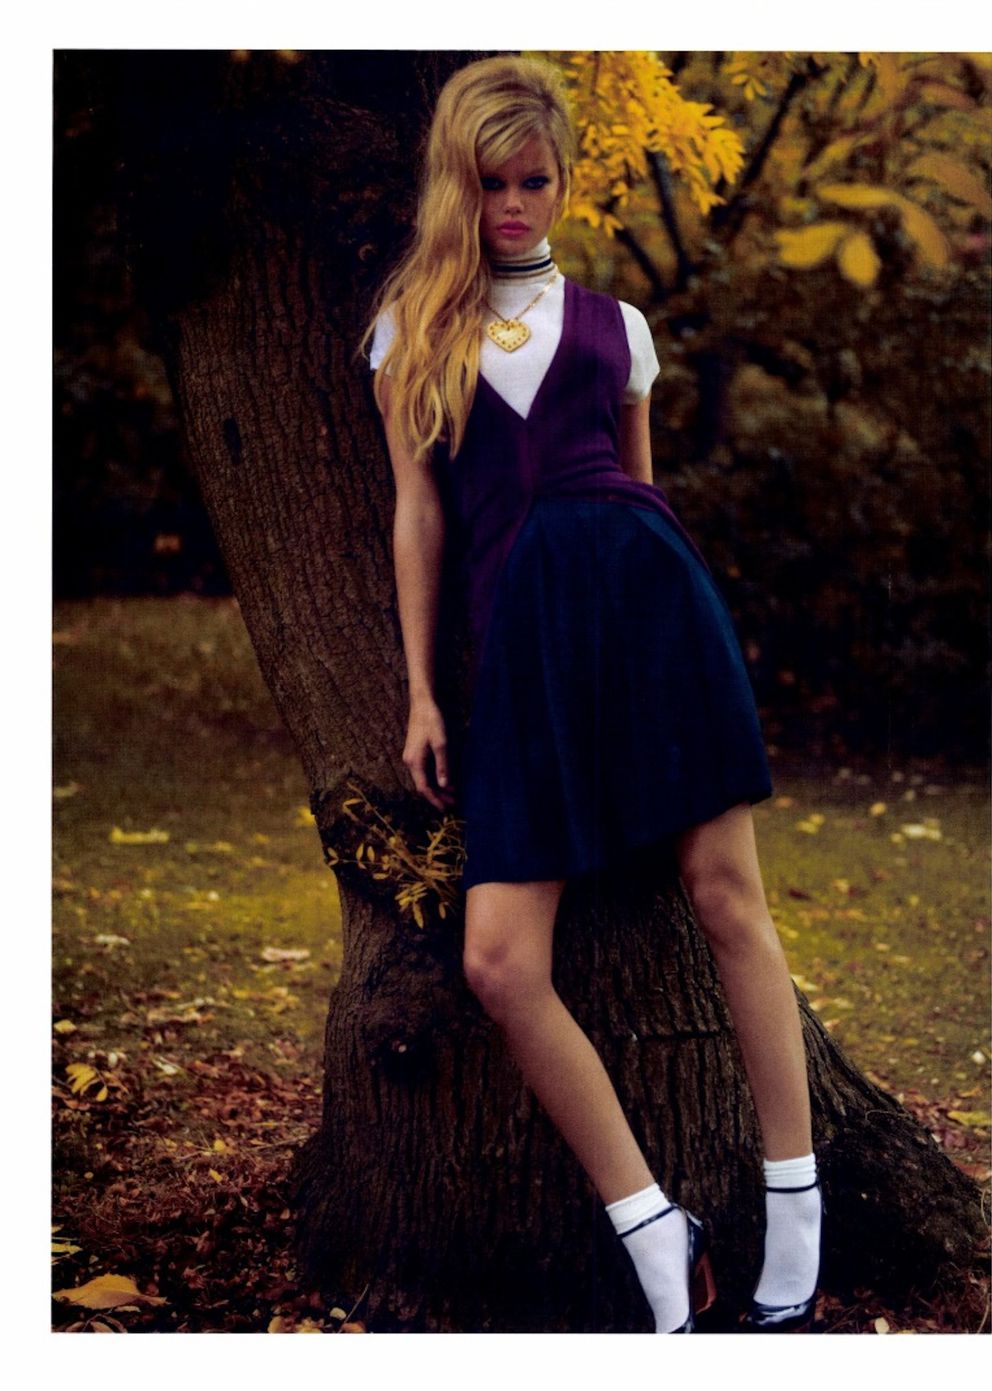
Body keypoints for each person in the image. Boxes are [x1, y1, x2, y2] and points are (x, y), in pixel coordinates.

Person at [363, 54, 822, 1334]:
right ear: (457, 185)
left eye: (535, 181)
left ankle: (797, 1204)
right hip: (519, 653)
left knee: (727, 895)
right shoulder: (411, 331)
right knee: (499, 961)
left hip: (648, 612)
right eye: (491, 183)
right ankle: (652, 1224)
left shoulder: (621, 329)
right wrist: (421, 691)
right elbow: (418, 515)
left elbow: (640, 489)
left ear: (563, 180)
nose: (515, 206)